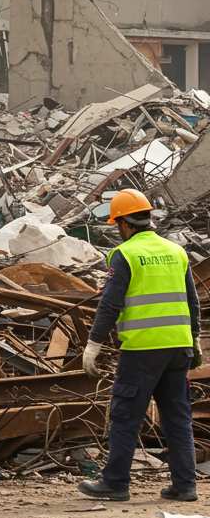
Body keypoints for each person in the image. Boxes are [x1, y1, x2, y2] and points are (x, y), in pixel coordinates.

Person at [77, 189, 200, 502]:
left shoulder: (126, 254)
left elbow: (110, 304)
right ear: (148, 218)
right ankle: (185, 485)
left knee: (126, 415)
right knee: (177, 416)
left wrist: (93, 343)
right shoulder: (177, 252)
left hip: (143, 350)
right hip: (178, 347)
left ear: (122, 223)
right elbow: (192, 301)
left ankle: (115, 483)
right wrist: (196, 339)